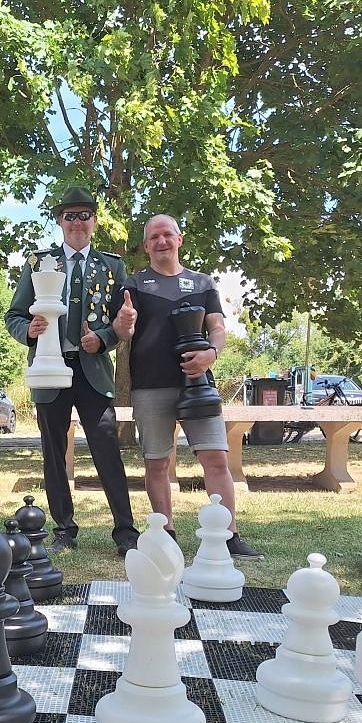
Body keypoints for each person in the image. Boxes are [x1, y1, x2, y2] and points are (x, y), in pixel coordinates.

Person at [113, 214, 261, 557]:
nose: (161, 241)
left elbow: (218, 329)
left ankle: (228, 535)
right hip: (150, 385)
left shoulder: (202, 283)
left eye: (167, 234)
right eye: (154, 237)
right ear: (146, 245)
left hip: (198, 384)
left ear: (179, 240)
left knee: (216, 458)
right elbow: (124, 332)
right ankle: (166, 533)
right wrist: (124, 322)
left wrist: (211, 354)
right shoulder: (135, 284)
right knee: (157, 462)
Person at [5, 185, 139, 556]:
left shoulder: (111, 266)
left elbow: (121, 319)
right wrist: (29, 330)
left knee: (106, 448)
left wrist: (104, 338)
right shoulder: (38, 262)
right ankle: (64, 528)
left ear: (94, 221)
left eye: (84, 215)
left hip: (92, 370)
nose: (77, 222)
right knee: (54, 452)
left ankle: (125, 531)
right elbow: (14, 315)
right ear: (60, 221)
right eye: (70, 216)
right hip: (50, 369)